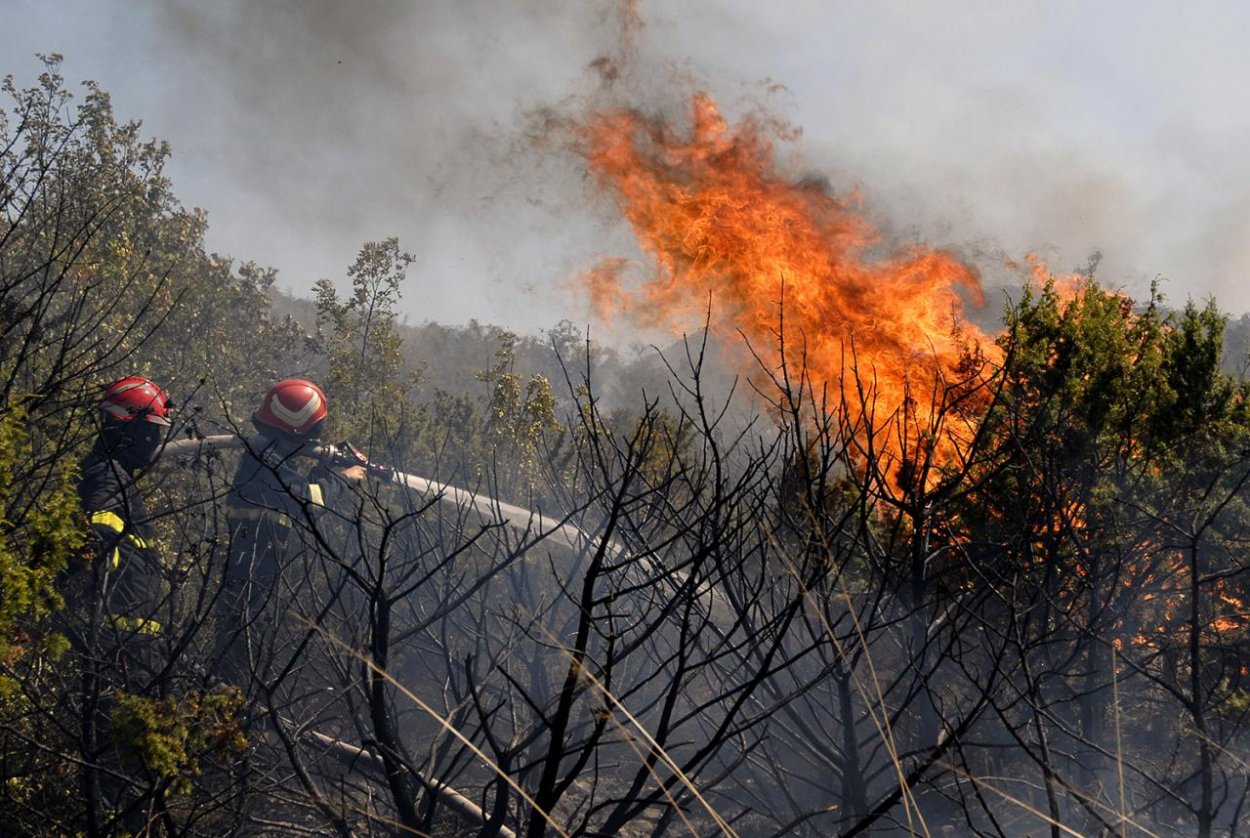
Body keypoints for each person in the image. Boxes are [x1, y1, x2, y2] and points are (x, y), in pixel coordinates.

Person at [70, 375, 172, 834]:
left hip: (120, 646)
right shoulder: (107, 482)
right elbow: (90, 545)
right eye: (154, 432)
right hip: (120, 652)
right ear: (135, 430)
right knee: (121, 775)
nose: (155, 443)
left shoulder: (101, 473)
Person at [218, 378, 365, 687]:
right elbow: (306, 500)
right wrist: (344, 478)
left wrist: (325, 465)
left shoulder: (266, 459)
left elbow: (296, 489)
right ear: (302, 432)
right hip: (251, 583)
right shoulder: (264, 463)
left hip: (254, 577)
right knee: (238, 665)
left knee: (248, 659)